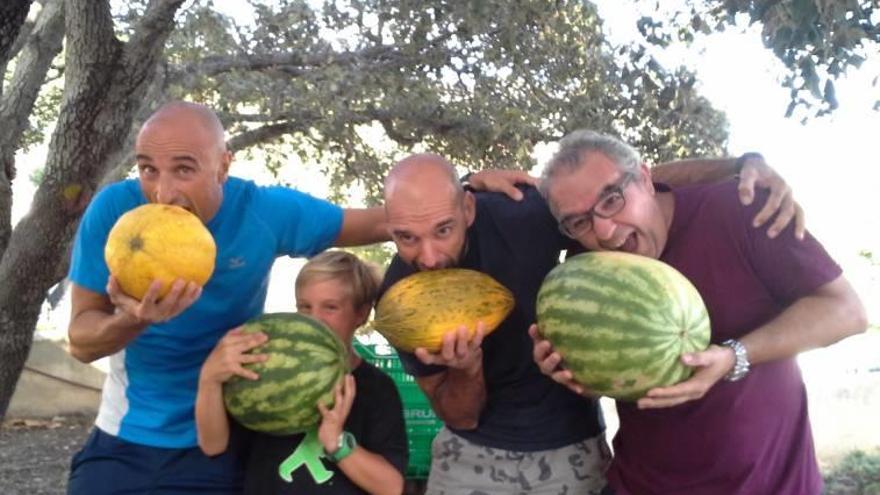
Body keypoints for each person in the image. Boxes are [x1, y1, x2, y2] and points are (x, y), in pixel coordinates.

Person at [378, 151, 802, 494]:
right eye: (406, 237)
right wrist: (465, 369)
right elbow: (461, 417)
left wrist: (737, 165)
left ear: (468, 207)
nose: (428, 257)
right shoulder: (398, 300)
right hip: (470, 456)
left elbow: (622, 187)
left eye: (444, 229)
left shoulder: (521, 217)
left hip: (571, 448)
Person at [66, 101, 388, 494]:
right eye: (148, 169)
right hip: (126, 436)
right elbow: (80, 341)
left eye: (184, 169)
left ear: (222, 165)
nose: (163, 193)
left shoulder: (264, 212)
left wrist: (472, 191)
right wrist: (133, 319)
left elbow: (385, 221)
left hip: (221, 437)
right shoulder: (115, 212)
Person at [532, 130, 867, 494]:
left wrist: (735, 356)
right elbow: (612, 368)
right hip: (642, 484)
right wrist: (577, 372)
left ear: (646, 179)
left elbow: (846, 312)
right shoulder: (587, 262)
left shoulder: (741, 210)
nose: (605, 230)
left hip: (770, 485)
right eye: (579, 222)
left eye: (612, 199)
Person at [195, 250, 407, 494]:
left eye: (330, 307)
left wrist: (337, 442)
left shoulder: (377, 389)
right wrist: (209, 379)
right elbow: (213, 445)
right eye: (305, 306)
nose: (315, 319)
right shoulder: (262, 363)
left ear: (361, 314)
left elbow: (391, 487)